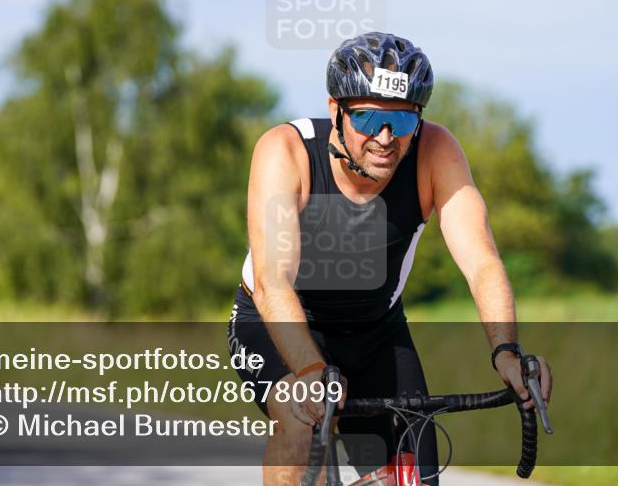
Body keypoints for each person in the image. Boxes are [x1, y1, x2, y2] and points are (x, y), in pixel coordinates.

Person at [227, 32, 552, 485]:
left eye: (401, 122)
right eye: (366, 119)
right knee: (301, 424)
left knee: (413, 471)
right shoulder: (286, 151)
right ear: (334, 109)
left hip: (375, 330)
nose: (384, 138)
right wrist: (311, 370)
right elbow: (272, 280)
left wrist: (506, 350)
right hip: (278, 321)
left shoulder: (436, 152)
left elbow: (481, 263)